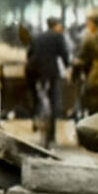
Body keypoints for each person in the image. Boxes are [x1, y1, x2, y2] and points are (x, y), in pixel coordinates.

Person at [25, 16, 71, 148]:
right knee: (54, 98)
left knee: (34, 93)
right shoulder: (58, 36)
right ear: (56, 25)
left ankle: (35, 114)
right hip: (50, 71)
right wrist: (68, 66)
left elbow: (29, 54)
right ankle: (52, 135)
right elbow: (64, 54)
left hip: (33, 70)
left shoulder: (37, 36)